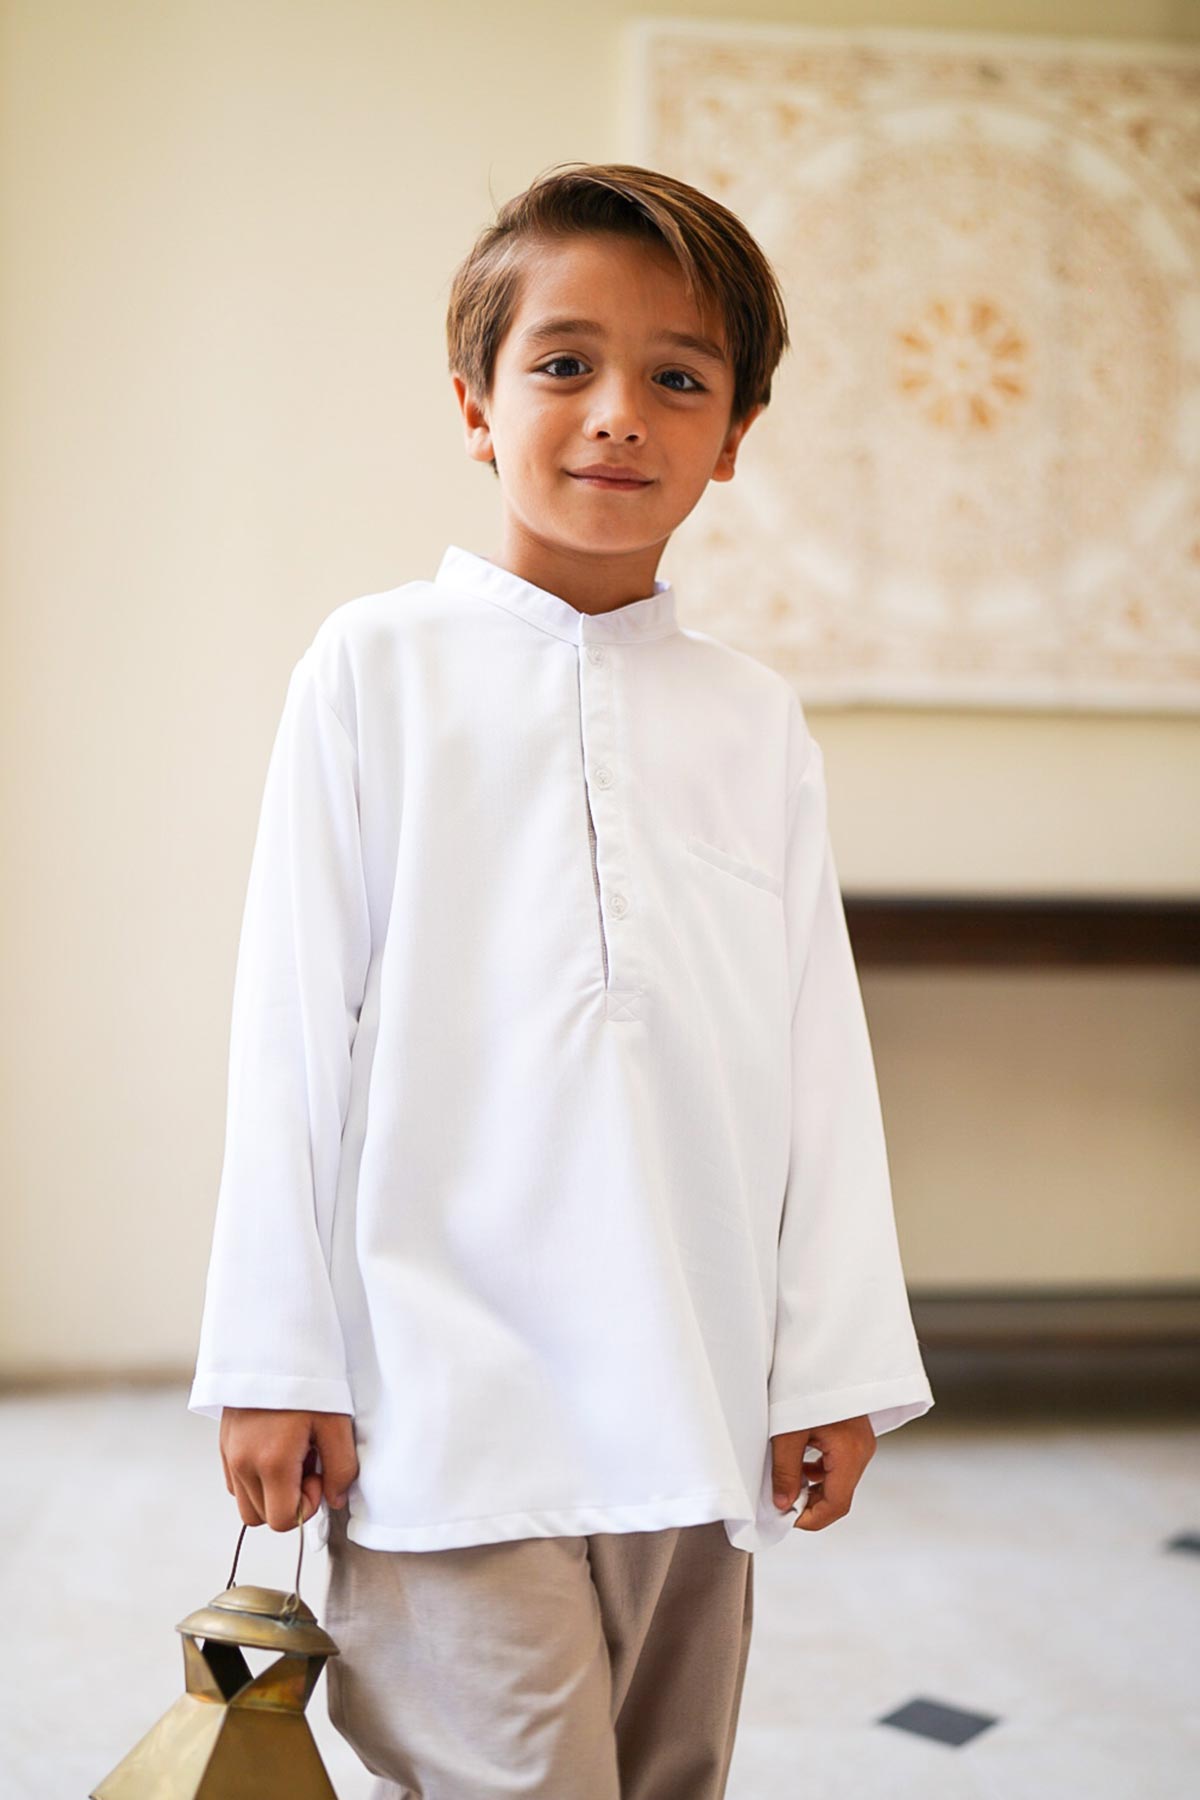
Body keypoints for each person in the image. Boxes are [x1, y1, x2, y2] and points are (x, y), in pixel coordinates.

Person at [188, 161, 934, 1799]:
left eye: (679, 378)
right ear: (476, 402)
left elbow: (818, 1055)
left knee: (668, 1776)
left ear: (734, 436)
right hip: (448, 1410)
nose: (618, 414)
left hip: (695, 1401)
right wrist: (273, 1356)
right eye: (565, 363)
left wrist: (833, 1363)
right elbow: (291, 1033)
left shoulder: (753, 720)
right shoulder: (375, 669)